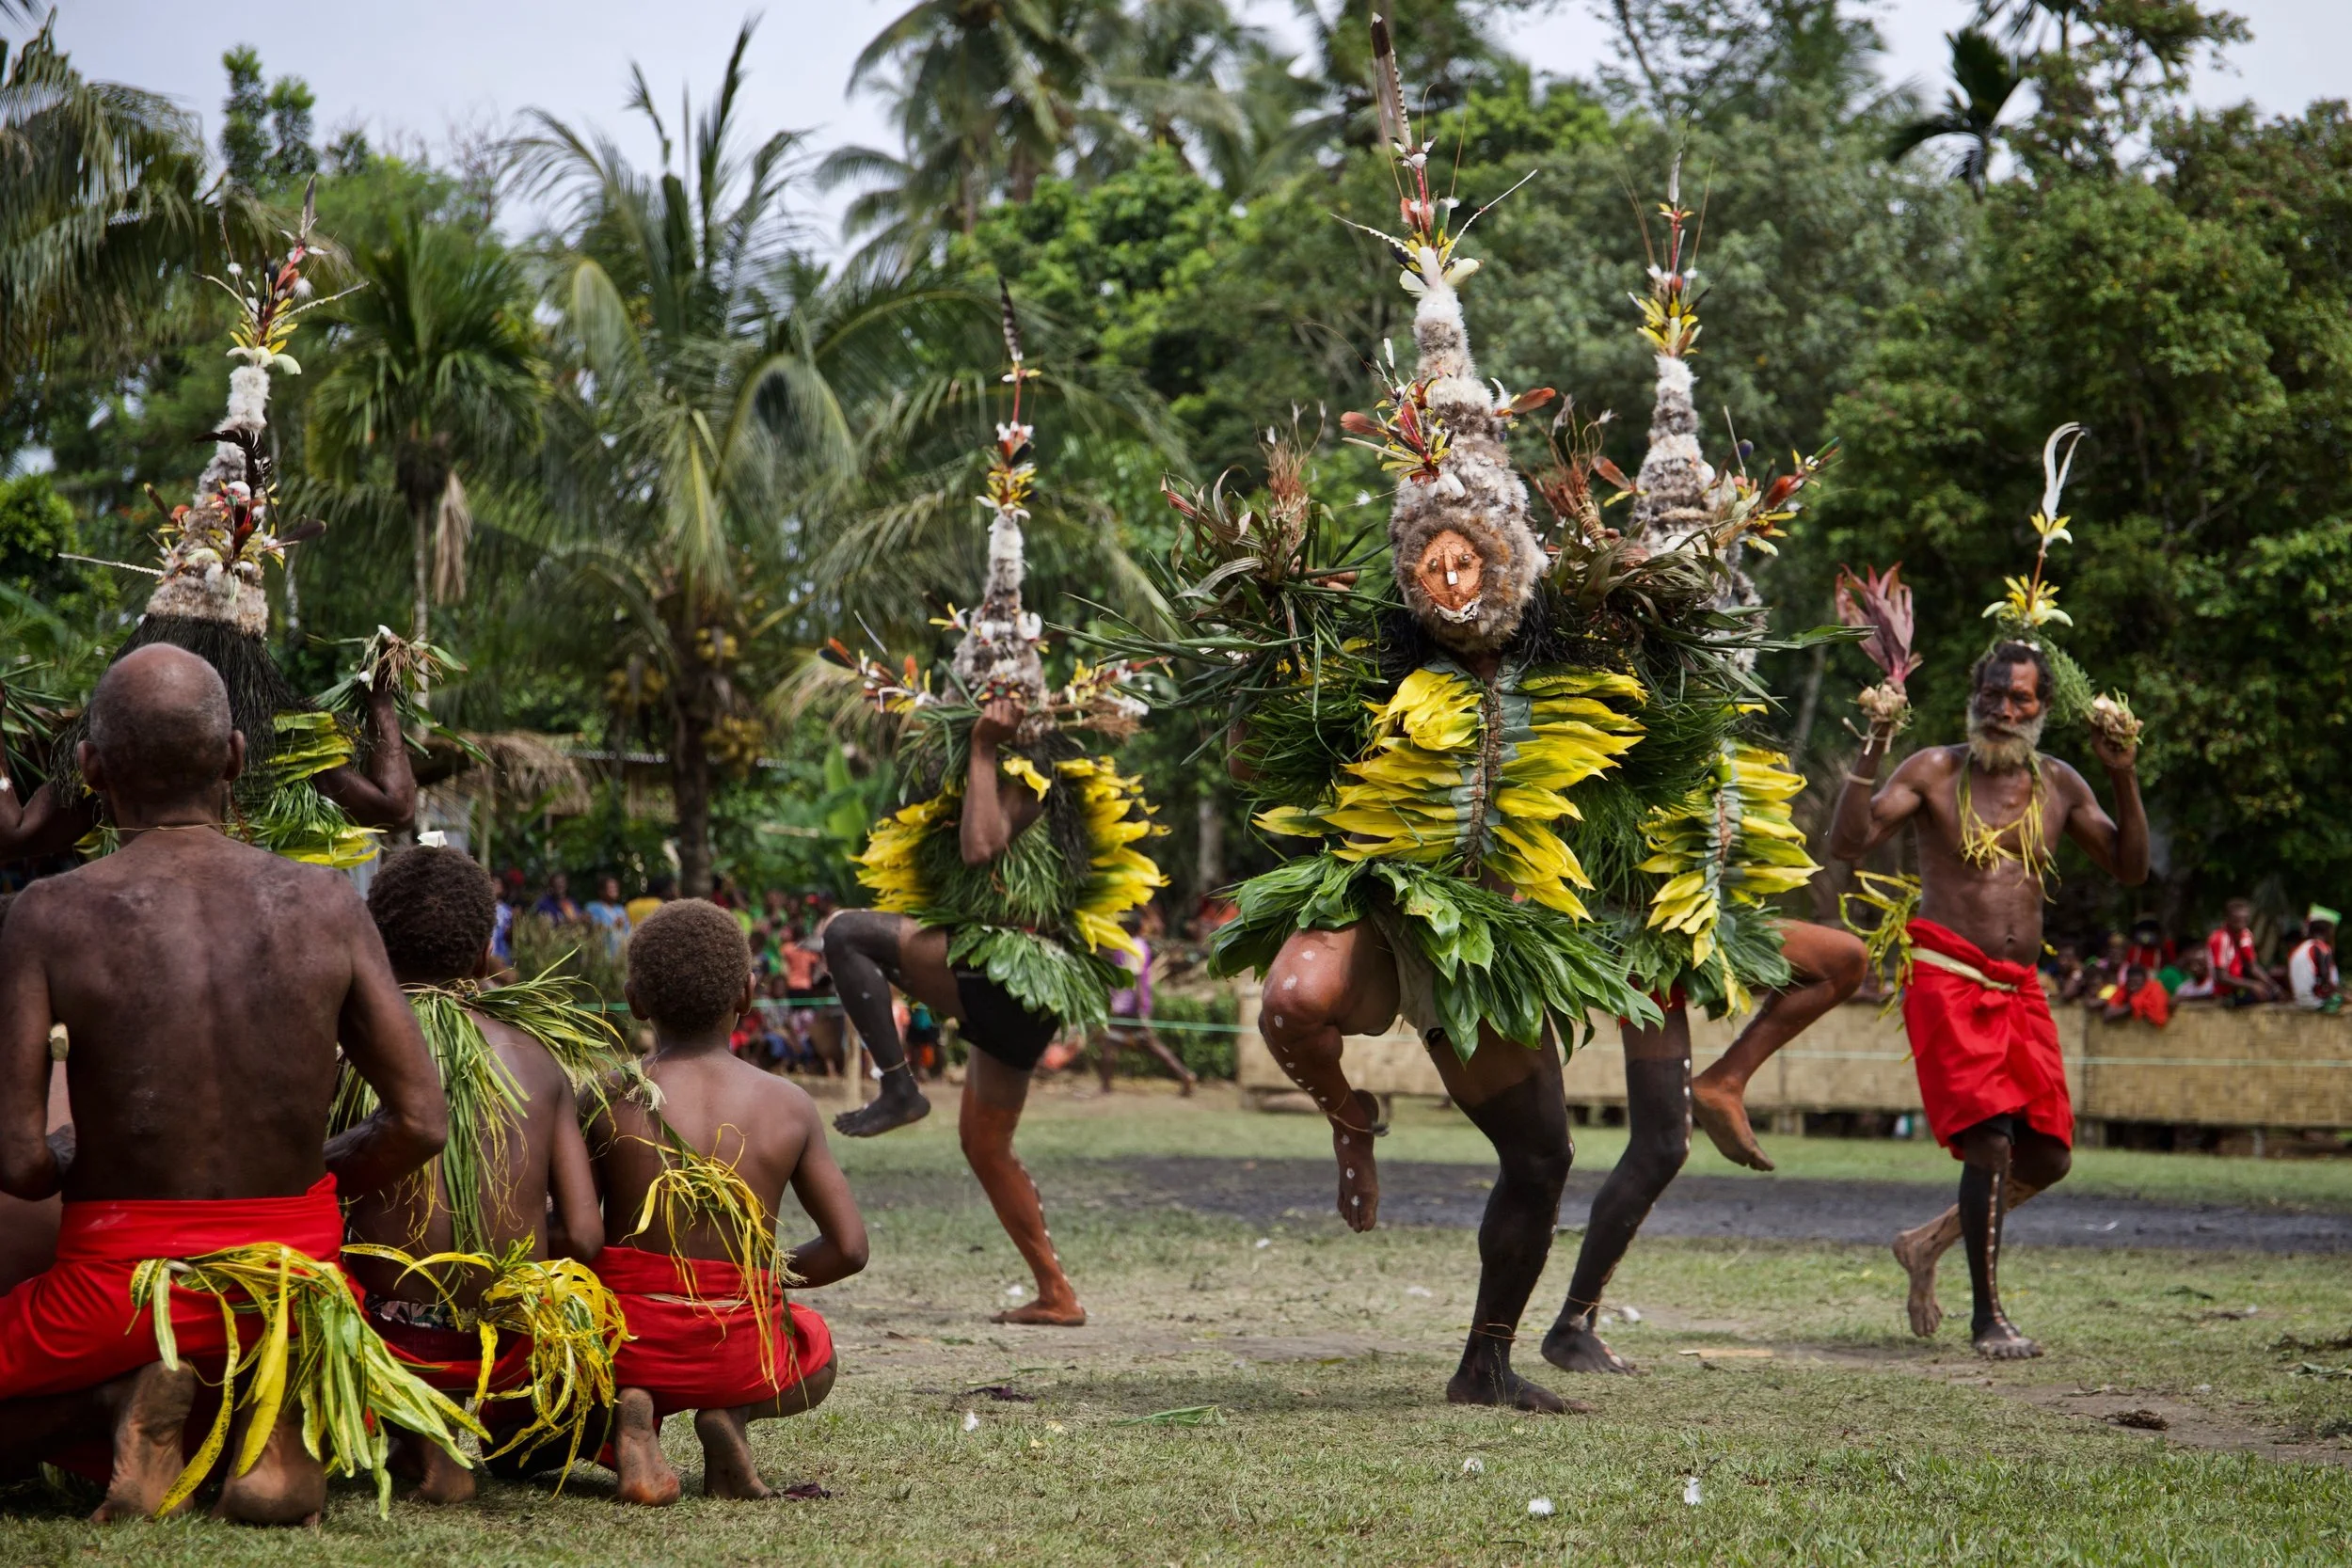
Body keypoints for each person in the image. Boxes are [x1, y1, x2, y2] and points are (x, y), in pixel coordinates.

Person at [0, 646, 461, 1522]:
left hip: (119, 1292)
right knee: (323, 1368)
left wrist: (74, 1148)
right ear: (237, 759)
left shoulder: (48, 914)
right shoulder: (327, 903)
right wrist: (308, 1175)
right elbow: (421, 1120)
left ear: (91, 768)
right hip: (296, 1285)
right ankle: (269, 1423)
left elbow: (20, 1164)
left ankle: (116, 1404)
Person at [1538, 195, 1866, 1376]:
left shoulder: (1717, 648)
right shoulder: (1609, 654)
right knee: (1659, 1141)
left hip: (1712, 899)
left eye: (1704, 550)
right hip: (1641, 923)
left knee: (1843, 959)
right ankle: (1572, 1322)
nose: (1693, 570)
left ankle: (1734, 1075)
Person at [818, 299, 1165, 1329]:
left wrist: (978, 747)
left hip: (1006, 969)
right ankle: (1056, 1290)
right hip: (1013, 978)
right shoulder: (1013, 747)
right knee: (987, 1143)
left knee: (845, 935)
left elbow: (978, 843)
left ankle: (896, 1079)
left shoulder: (1020, 764)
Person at [1830, 635, 2149, 1358]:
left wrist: (2123, 776)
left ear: (2041, 708)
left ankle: (1924, 1242)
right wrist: (1874, 746)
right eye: (1992, 696)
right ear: (1972, 698)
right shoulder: (1935, 771)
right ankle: (1989, 1317)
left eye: (2021, 699)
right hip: (1946, 971)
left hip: (2018, 984)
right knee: (1991, 1140)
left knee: (2049, 1156)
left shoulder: (2061, 784)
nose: (2003, 710)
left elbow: (2131, 869)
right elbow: (1849, 842)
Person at [342, 847, 623, 1503]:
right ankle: (494, 1420)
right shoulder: (537, 1058)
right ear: (482, 952)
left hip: (385, 1341)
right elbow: (584, 1236)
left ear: (376, 944)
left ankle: (421, 1431)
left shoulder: (345, 1047)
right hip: (511, 1343)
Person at [588, 900, 866, 1504]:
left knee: (550, 1359)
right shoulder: (787, 1102)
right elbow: (848, 1248)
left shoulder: (606, 1094)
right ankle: (730, 1414)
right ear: (747, 994)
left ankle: (630, 1410)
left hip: (622, 1346)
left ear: (635, 1000)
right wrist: (762, 1278)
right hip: (740, 1344)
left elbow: (578, 1232)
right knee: (816, 1352)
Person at [1090, 910, 1200, 1096]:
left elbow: (1138, 979)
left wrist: (1141, 1011)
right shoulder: (1130, 945)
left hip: (1128, 1007)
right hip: (1127, 1006)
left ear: (1129, 927)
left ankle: (1106, 1088)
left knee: (1115, 1044)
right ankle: (1184, 1075)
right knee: (1128, 1044)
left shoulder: (1134, 947)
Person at [2206, 899, 2280, 1006]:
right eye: (2237, 920)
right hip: (2222, 992)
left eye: (2244, 920)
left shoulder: (2245, 935)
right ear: (2228, 919)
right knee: (2264, 997)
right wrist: (2253, 985)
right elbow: (2221, 977)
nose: (2241, 924)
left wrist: (2275, 987)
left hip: (2239, 988)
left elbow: (2252, 967)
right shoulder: (2220, 938)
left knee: (2272, 994)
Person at [2289, 908, 2339, 1012]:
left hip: (2301, 1001)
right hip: (2316, 1002)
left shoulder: (2299, 948)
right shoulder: (2322, 947)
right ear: (2328, 930)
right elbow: (2326, 980)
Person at [2100, 963, 2169, 1027]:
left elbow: (2159, 1020)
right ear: (2127, 981)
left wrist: (2133, 1005)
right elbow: (2107, 1015)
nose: (2133, 986)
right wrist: (2130, 1006)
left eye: (2137, 982)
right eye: (2131, 982)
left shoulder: (2155, 989)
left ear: (2145, 981)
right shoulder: (2124, 988)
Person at [584, 875, 632, 956]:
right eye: (610, 888)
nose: (614, 890)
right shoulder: (592, 908)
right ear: (601, 891)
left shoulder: (620, 909)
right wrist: (614, 926)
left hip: (619, 954)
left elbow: (628, 930)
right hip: (601, 954)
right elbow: (594, 929)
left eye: (615, 887)